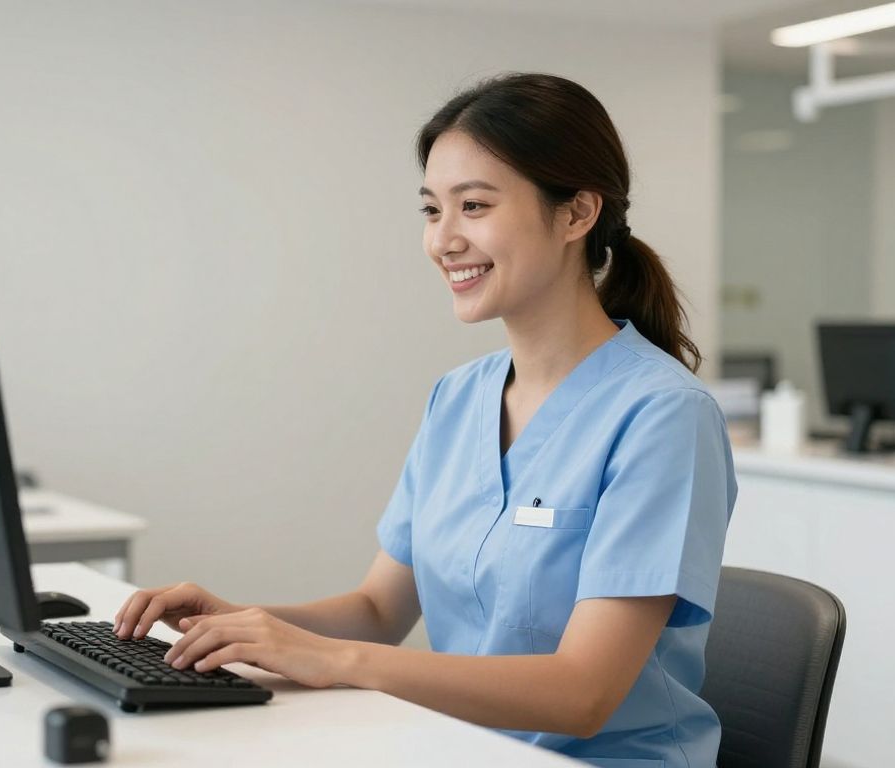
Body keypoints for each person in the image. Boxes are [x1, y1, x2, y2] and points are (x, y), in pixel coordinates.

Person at [113, 72, 736, 768]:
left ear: (575, 214)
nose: (443, 240)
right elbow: (380, 611)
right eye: (431, 211)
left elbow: (581, 693)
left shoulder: (662, 417)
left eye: (473, 206)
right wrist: (241, 623)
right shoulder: (459, 397)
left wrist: (333, 660)